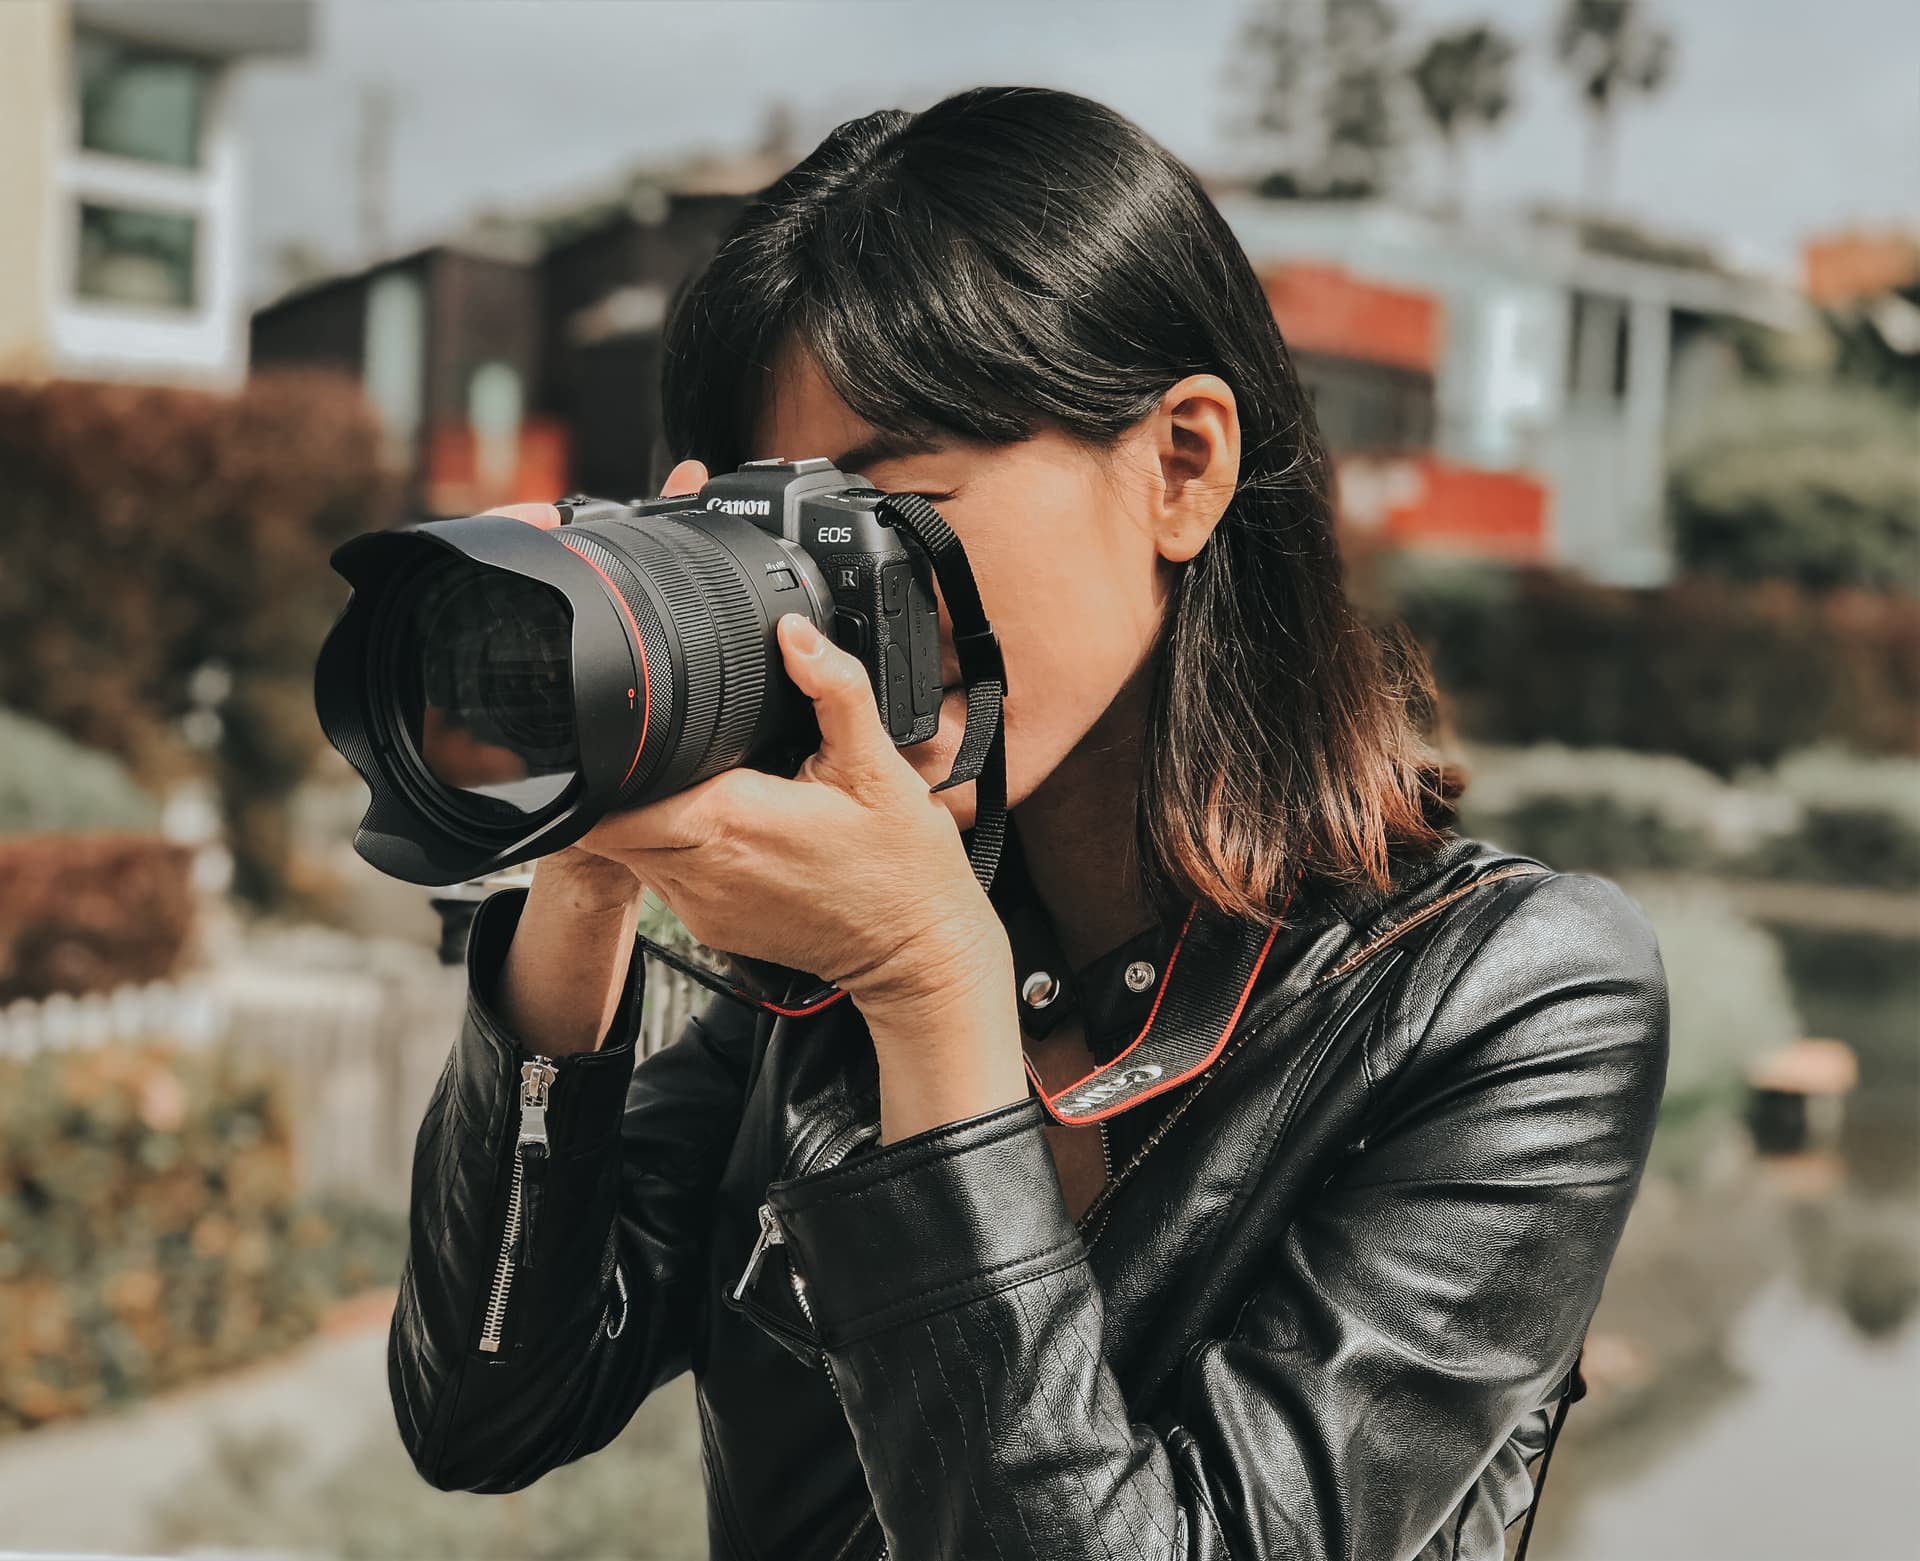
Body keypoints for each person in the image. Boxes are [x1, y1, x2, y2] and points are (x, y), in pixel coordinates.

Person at [386, 85, 1668, 1560]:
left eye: (890, 508)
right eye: (774, 524)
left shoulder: (1510, 993)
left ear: (1182, 464)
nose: (831, 594)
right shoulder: (841, 954)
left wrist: (933, 995)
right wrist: (590, 869)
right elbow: (486, 1406)